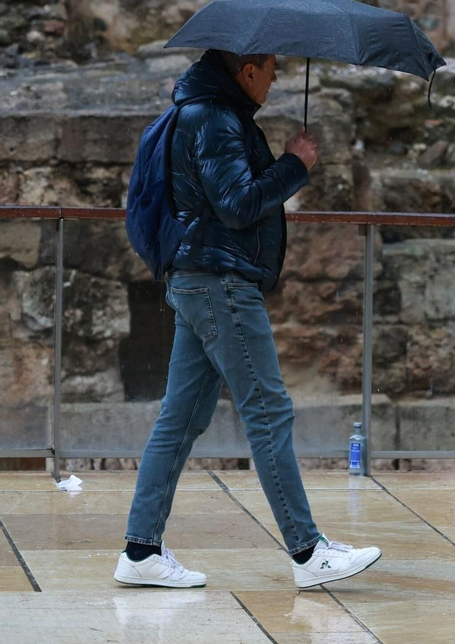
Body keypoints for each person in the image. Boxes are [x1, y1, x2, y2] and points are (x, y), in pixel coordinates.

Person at [116, 50, 381, 590]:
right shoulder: (213, 117)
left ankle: (140, 551)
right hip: (220, 282)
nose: (279, 75)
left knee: (181, 418)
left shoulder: (212, 111)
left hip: (201, 277)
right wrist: (294, 165)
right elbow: (236, 204)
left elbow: (224, 200)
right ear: (248, 70)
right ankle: (308, 554)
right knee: (267, 410)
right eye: (272, 66)